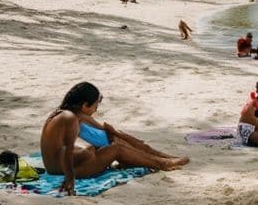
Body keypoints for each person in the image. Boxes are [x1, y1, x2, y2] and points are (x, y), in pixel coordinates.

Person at [40, 82, 188, 196]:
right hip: (65, 170)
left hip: (57, 167)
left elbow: (61, 149)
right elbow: (68, 152)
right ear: (85, 104)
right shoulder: (71, 118)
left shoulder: (65, 114)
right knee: (117, 148)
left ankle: (161, 158)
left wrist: (110, 137)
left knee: (114, 141)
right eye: (95, 106)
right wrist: (86, 154)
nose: (96, 110)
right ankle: (162, 164)